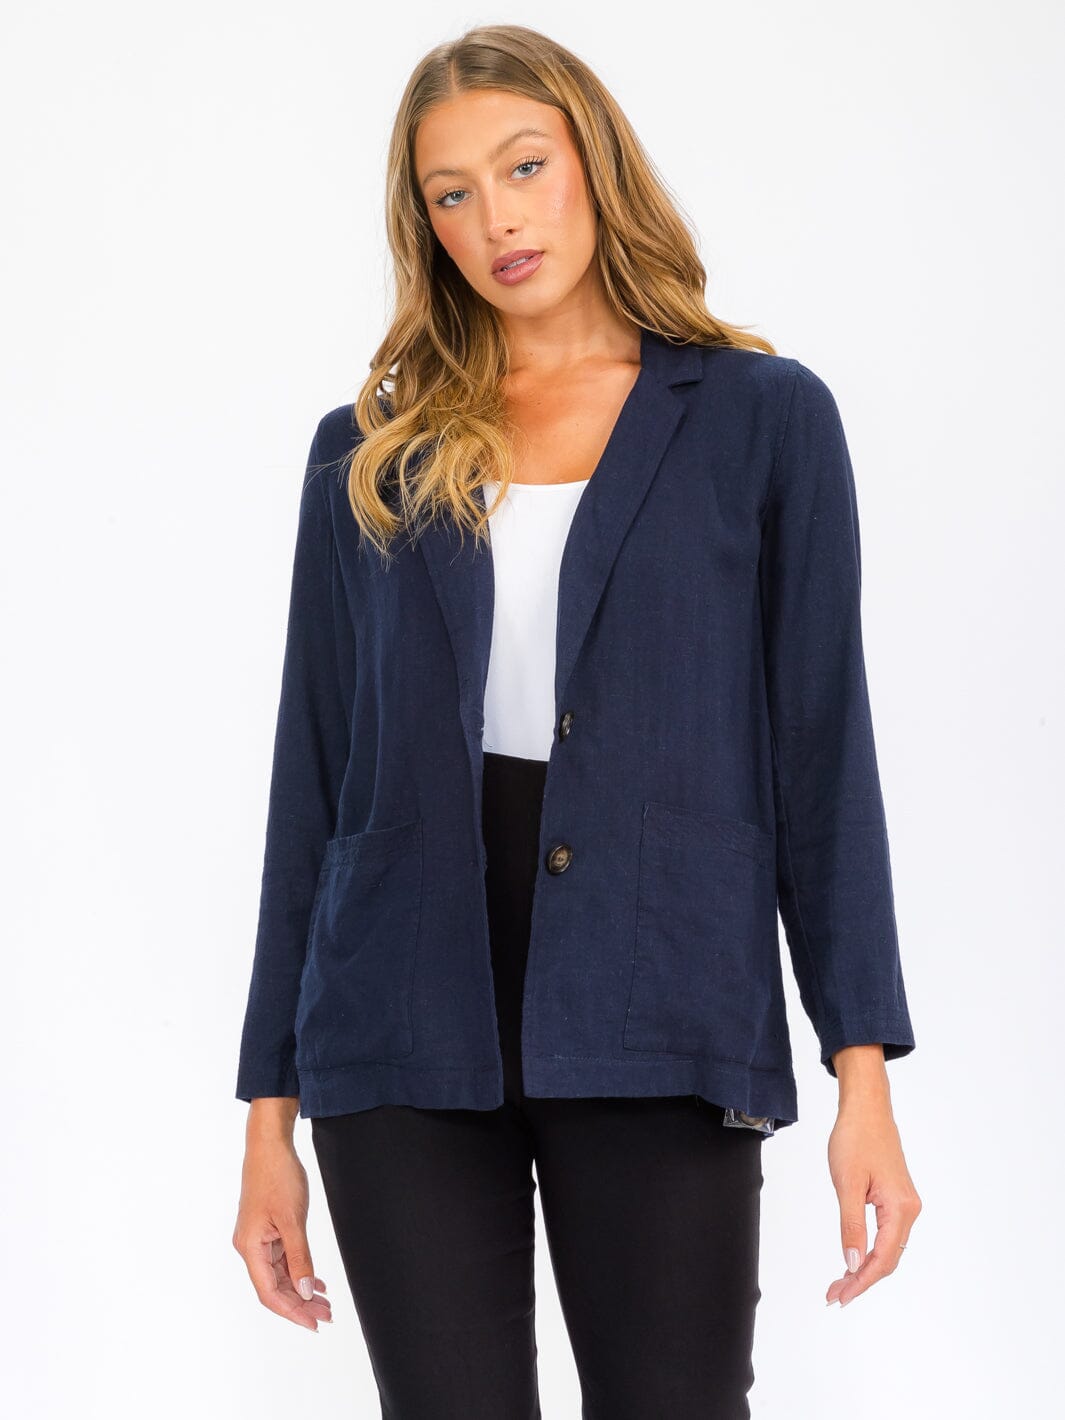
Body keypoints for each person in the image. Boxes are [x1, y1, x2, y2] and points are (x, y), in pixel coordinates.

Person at [232, 22, 921, 1419]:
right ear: (424, 224)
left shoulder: (761, 421)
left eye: (524, 167)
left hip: (661, 998)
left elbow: (819, 755)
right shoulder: (367, 453)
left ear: (593, 162)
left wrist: (863, 1075)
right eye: (451, 192)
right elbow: (315, 778)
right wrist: (268, 1117)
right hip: (399, 1013)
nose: (496, 218)